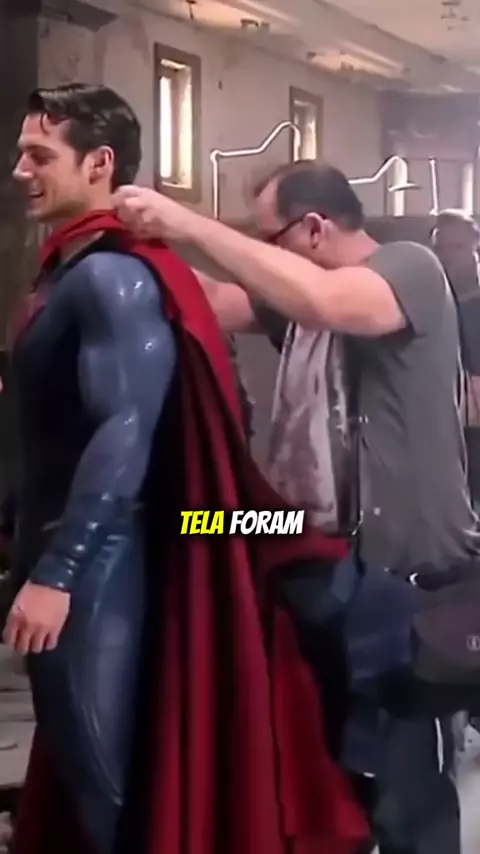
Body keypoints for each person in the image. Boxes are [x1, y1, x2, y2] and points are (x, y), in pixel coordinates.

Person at [4, 89, 367, 854]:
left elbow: (127, 430)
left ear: (99, 163)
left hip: (289, 538)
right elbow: (220, 307)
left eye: (38, 156)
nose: (19, 171)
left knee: (103, 778)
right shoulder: (84, 272)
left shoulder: (394, 279)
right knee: (85, 768)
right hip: (162, 530)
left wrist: (60, 571)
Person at [112, 161, 480, 854]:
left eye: (271, 237)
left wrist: (187, 222)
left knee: (405, 785)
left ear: (314, 228)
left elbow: (327, 302)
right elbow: (215, 300)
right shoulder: (302, 299)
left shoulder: (407, 269)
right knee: (330, 772)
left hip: (399, 579)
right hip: (316, 548)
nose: (265, 253)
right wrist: (129, 241)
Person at [431, 209, 480, 502]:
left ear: (476, 248)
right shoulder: (426, 308)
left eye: (457, 247)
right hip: (442, 435)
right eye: (440, 248)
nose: (447, 256)